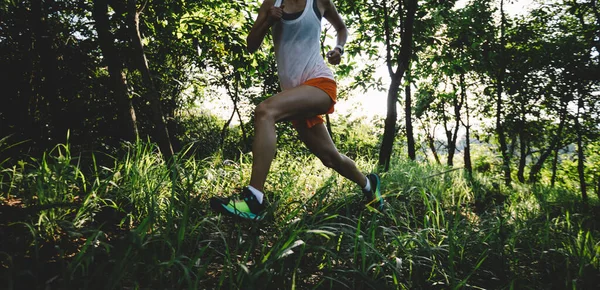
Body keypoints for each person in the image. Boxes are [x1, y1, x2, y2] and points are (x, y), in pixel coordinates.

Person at [210, 0, 383, 220]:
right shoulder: (271, 4)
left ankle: (254, 199)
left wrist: (339, 48)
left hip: (320, 84)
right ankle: (369, 186)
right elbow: (251, 44)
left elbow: (341, 28)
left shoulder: (319, 2)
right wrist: (268, 21)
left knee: (265, 112)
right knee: (330, 158)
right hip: (296, 94)